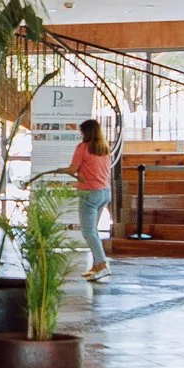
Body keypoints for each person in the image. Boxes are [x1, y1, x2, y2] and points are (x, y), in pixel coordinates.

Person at [70, 118, 115, 280]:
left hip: (89, 194)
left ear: (86, 132)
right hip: (104, 192)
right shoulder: (104, 149)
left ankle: (102, 264)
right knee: (93, 232)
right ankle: (96, 266)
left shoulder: (82, 148)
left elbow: (73, 169)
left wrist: (60, 170)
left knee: (88, 232)